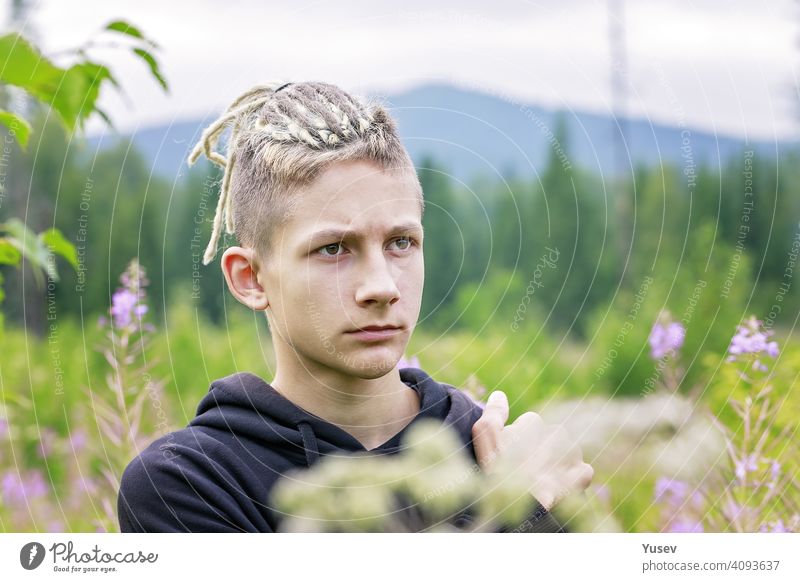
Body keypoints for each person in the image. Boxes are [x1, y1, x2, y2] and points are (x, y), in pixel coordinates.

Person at [117, 81, 592, 533]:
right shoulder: (193, 483)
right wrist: (524, 523)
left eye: (401, 242)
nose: (382, 287)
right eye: (334, 249)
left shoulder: (494, 448)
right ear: (251, 278)